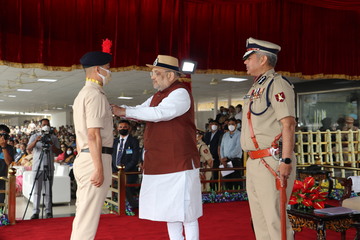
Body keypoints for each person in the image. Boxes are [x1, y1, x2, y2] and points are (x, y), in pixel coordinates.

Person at [111, 55, 202, 240]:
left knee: (187, 214)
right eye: (152, 73)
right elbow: (141, 111)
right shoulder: (157, 96)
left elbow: (160, 113)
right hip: (162, 164)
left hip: (180, 164)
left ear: (170, 75)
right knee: (171, 212)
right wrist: (120, 109)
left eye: (156, 73)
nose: (152, 77)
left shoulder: (180, 93)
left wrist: (124, 111)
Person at [241, 37, 296, 240]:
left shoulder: (278, 84)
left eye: (249, 57)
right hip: (255, 161)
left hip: (272, 160)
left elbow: (288, 124)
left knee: (275, 219)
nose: (245, 61)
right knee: (260, 220)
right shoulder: (255, 88)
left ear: (262, 59)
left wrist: (286, 160)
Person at [70, 46, 114, 240]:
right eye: (107, 67)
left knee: (83, 216)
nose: (109, 72)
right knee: (87, 220)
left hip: (86, 156)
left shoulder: (82, 94)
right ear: (98, 70)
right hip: (95, 158)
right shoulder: (95, 94)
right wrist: (98, 168)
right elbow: (93, 134)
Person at [27, 118, 61, 219]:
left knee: (48, 190)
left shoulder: (54, 138)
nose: (46, 126)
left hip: (49, 166)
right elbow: (28, 148)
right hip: (37, 166)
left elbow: (59, 152)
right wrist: (36, 140)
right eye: (44, 124)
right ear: (40, 126)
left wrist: (51, 144)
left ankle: (48, 211)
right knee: (37, 190)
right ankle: (35, 212)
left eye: (47, 124)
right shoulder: (34, 136)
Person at [111, 120, 140, 209]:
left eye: (125, 127)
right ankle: (119, 207)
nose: (122, 129)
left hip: (128, 172)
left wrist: (123, 170)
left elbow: (134, 159)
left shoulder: (134, 141)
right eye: (120, 127)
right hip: (116, 172)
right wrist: (114, 169)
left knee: (129, 192)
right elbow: (112, 156)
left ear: (129, 128)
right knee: (117, 191)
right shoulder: (115, 141)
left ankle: (131, 207)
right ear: (117, 128)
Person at [219, 118, 243, 189]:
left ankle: (238, 197)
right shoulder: (225, 135)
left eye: (233, 124)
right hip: (225, 162)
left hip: (235, 160)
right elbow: (222, 147)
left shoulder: (239, 134)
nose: (231, 126)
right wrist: (222, 158)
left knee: (236, 181)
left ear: (236, 125)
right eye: (229, 124)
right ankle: (228, 197)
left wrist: (228, 157)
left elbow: (238, 148)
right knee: (227, 181)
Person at [203, 120, 223, 189]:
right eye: (212, 124)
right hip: (208, 157)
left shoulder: (221, 133)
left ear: (218, 126)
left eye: (215, 124)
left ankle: (216, 189)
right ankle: (210, 188)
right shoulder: (207, 134)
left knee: (215, 174)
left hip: (216, 157)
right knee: (208, 174)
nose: (213, 126)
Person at [0, 124, 14, 210]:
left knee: (1, 202)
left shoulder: (9, 148)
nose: (3, 137)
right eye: (1, 135)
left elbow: (8, 162)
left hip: (2, 178)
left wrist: (3, 147)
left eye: (5, 135)